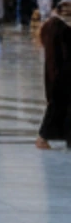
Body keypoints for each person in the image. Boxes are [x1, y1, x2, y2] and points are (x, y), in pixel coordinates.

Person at [38, 8, 71, 150]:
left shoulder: (54, 26)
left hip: (59, 73)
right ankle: (42, 137)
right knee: (57, 106)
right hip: (64, 74)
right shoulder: (60, 28)